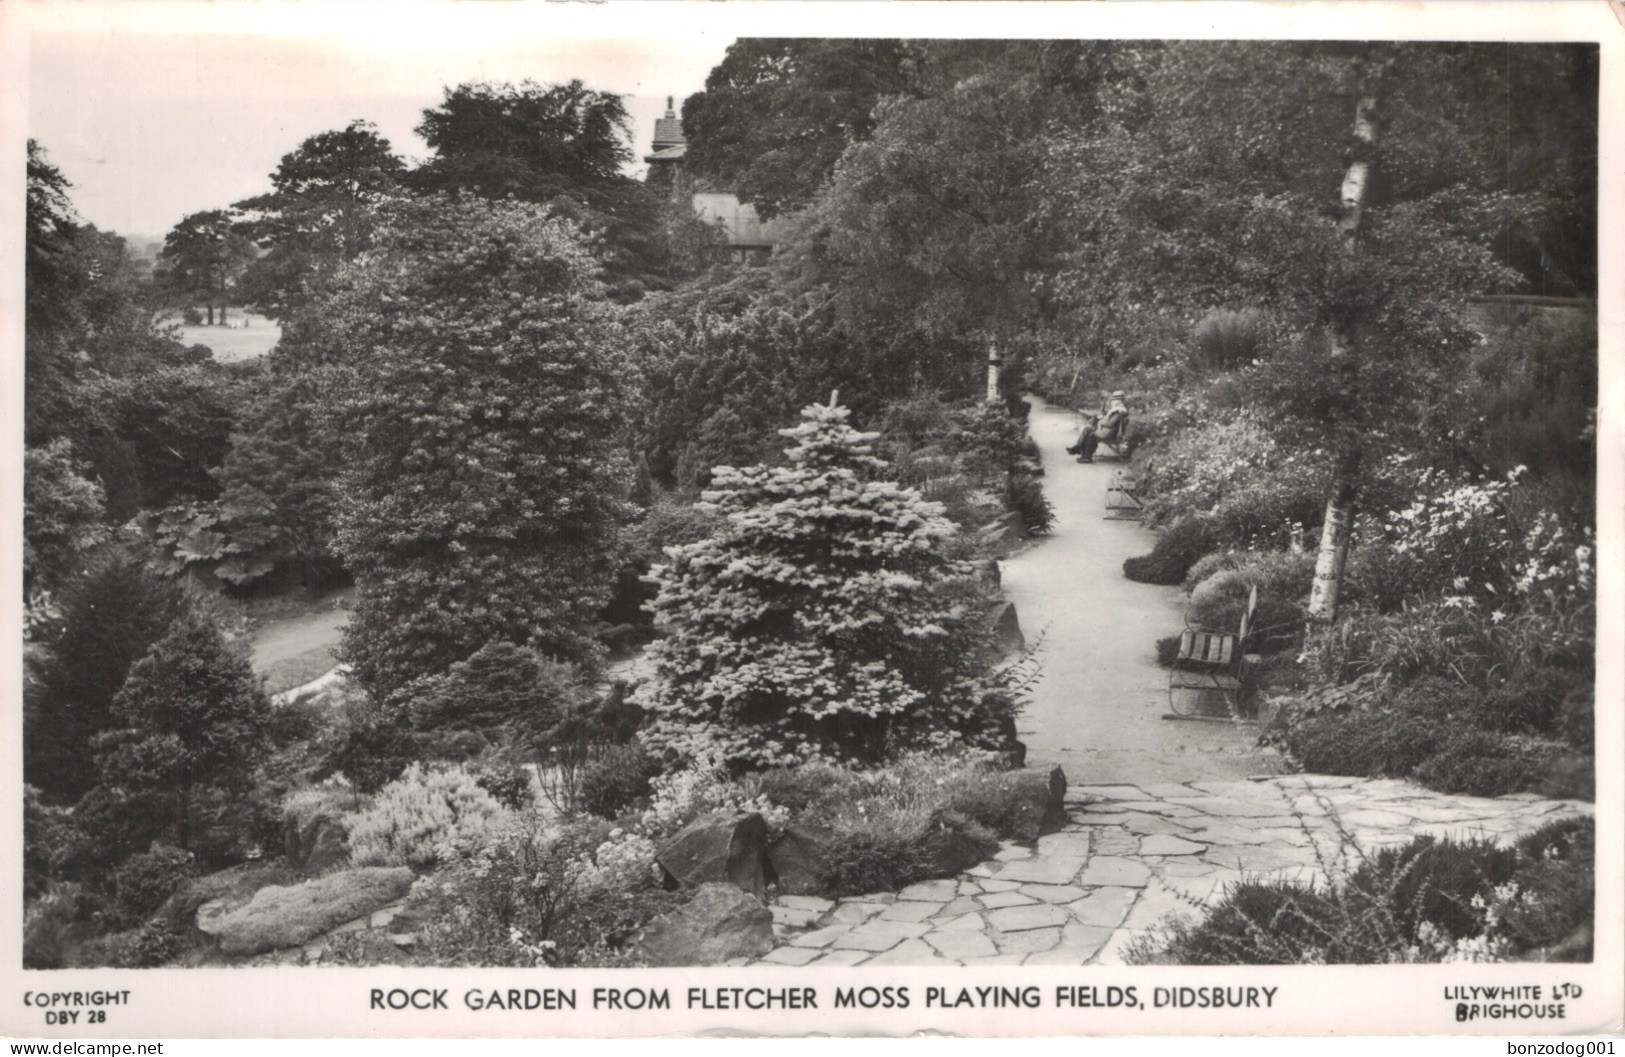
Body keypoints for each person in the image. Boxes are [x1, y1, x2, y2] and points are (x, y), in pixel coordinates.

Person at [1066, 391, 1129, 462]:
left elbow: (1111, 423)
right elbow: (1110, 421)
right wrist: (1103, 417)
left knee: (1091, 435)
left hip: (1110, 433)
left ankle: (1086, 456)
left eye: (1113, 400)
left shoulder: (1119, 411)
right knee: (1087, 429)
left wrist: (1101, 421)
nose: (1112, 402)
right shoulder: (1117, 410)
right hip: (1106, 431)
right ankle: (1079, 449)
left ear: (1118, 401)